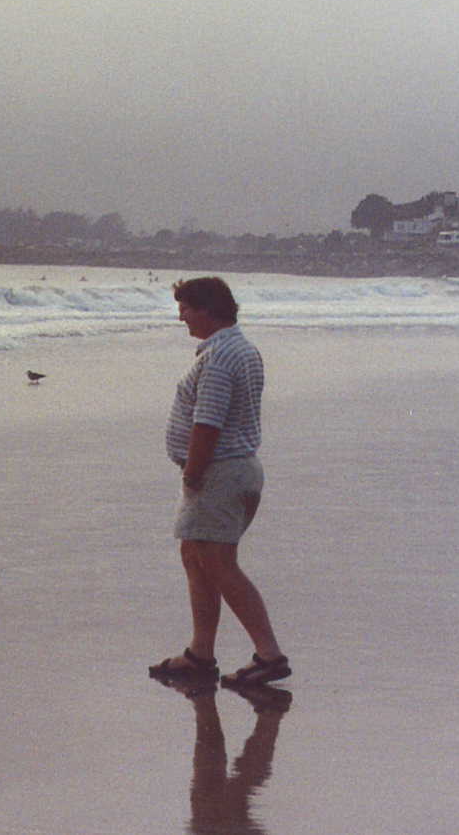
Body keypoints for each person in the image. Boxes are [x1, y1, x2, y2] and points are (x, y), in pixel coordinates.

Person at [149, 277, 291, 688]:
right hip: (232, 470)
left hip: (219, 473)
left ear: (208, 309)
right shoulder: (239, 348)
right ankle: (200, 653)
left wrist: (193, 473)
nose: (181, 317)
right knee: (196, 558)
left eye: (186, 309)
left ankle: (269, 655)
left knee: (218, 564)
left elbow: (208, 423)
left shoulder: (220, 357)